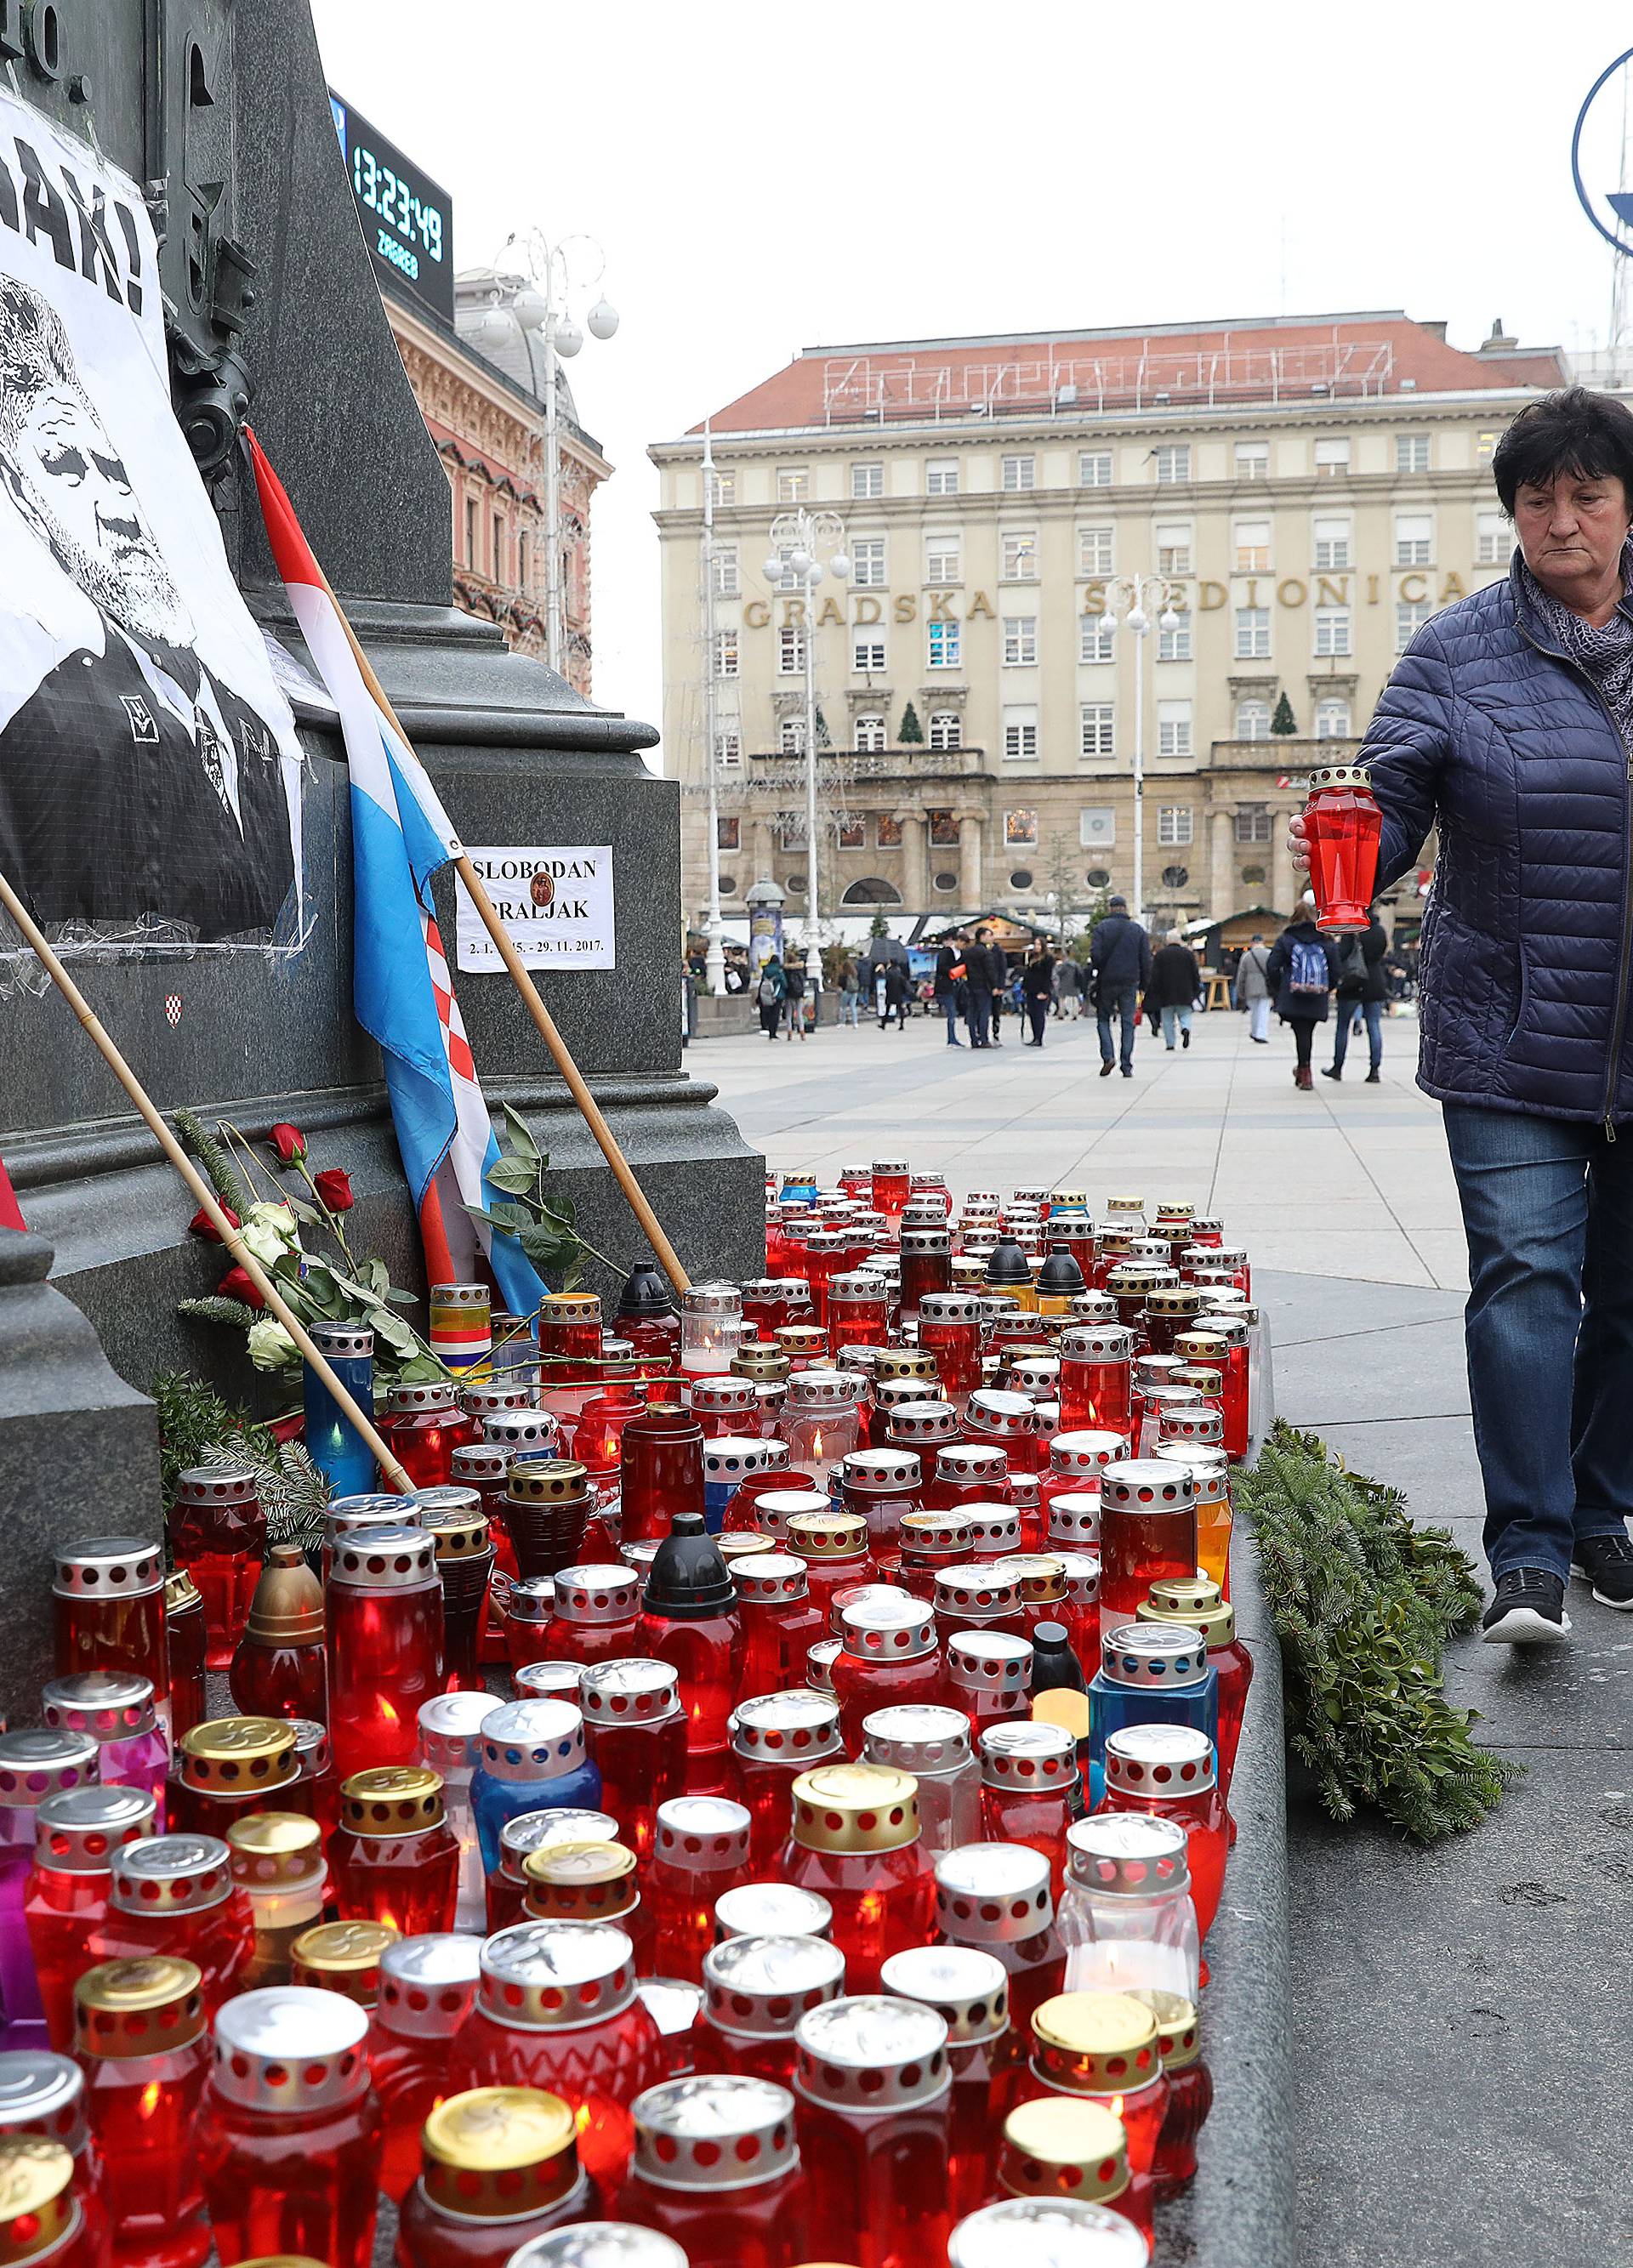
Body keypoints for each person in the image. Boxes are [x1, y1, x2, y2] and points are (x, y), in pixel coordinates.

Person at [1288, 386, 1633, 1640]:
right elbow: (1389, 808)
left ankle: (1606, 1517)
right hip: (1507, 1025)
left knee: (1628, 1298)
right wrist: (1347, 850)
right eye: (1536, 497)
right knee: (1528, 1281)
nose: (1562, 518)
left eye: (1587, 492)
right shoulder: (1456, 652)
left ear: (1626, 504)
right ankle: (1530, 1551)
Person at [0, 278, 297, 939]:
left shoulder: (256, 729)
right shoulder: (35, 740)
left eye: (113, 466)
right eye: (67, 469)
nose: (114, 502)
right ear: (27, 504)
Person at [1265, 897, 1340, 1089]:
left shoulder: (1286, 938)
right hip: (1316, 994)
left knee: (1301, 1032)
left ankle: (1304, 1072)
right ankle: (1303, 1070)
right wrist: (1326, 987)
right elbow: (1336, 969)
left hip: (1294, 994)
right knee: (1307, 1032)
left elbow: (1272, 966)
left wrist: (1279, 988)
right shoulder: (1326, 938)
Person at [1323, 907, 1388, 1083]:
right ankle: (1375, 1070)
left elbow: (1342, 955)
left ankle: (1337, 1067)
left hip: (1353, 981)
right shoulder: (1379, 931)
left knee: (1343, 1026)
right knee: (1374, 1025)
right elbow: (1381, 953)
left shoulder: (1353, 930)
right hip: (1374, 981)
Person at [1090, 895, 1152, 1078]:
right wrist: (1144, 984)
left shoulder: (1101, 928)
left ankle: (1108, 1056)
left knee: (1103, 1019)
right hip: (1130, 981)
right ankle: (1127, 1065)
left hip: (1107, 981)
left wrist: (1100, 971)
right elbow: (1146, 960)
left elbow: (1095, 955)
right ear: (1125, 908)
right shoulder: (1137, 930)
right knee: (1128, 1022)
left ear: (1110, 908)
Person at [1150, 930, 1201, 1052]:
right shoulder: (1188, 954)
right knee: (1185, 1014)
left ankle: (1170, 1043)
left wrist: (1154, 991)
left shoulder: (1160, 955)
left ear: (1167, 941)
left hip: (1165, 992)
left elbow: (1155, 975)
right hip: (1185, 991)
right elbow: (1195, 973)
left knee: (1167, 1019)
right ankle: (1185, 1028)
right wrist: (1196, 989)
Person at [965, 924, 999, 1049]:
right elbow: (990, 971)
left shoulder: (968, 952)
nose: (991, 938)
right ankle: (984, 1039)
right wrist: (995, 986)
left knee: (972, 1013)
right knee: (984, 1012)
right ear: (982, 936)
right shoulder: (986, 953)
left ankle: (974, 1039)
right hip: (984, 986)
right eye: (990, 935)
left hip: (971, 985)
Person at [934, 930, 970, 1047]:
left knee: (954, 1012)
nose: (964, 947)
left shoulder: (963, 954)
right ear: (958, 941)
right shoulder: (946, 952)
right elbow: (941, 967)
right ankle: (951, 1038)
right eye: (963, 944)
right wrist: (952, 971)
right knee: (951, 1012)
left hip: (957, 986)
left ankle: (952, 1038)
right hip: (946, 986)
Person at [1238, 933, 1273, 1043]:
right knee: (1264, 1011)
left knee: (1254, 1012)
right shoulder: (1269, 954)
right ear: (1262, 942)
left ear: (1252, 943)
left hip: (1250, 988)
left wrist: (1240, 990)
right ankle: (1261, 1034)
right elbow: (1274, 971)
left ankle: (1254, 1032)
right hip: (1266, 988)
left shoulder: (1247, 956)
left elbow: (1241, 975)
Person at [1021, 942, 1055, 1045]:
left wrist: (1045, 991)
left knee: (1039, 1014)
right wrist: (1024, 986)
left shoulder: (1047, 959)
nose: (1037, 947)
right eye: (1035, 944)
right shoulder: (1032, 957)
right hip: (1031, 989)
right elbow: (1028, 973)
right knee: (1032, 1013)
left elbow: (1047, 976)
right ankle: (1035, 1036)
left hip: (1041, 989)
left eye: (1039, 945)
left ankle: (1039, 1038)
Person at [755, 953, 785, 1041]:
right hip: (777, 995)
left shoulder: (766, 969)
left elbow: (762, 982)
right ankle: (773, 1033)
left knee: (768, 1012)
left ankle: (768, 1029)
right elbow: (784, 983)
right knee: (775, 1014)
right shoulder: (779, 971)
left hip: (766, 994)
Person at [781, 953, 808, 1041]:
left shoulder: (786, 969)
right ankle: (802, 1032)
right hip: (799, 992)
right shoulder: (800, 968)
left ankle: (789, 1033)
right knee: (799, 1013)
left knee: (789, 1014)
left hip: (789, 993)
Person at [883, 958, 911, 1030]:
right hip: (899, 992)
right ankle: (901, 1024)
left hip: (891, 992)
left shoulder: (889, 972)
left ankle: (883, 1024)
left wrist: (886, 989)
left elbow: (887, 982)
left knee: (888, 1008)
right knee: (900, 1008)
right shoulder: (899, 972)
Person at [838, 954, 862, 1028]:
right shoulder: (854, 973)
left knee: (843, 1007)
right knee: (853, 1007)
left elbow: (840, 983)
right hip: (854, 991)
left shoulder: (844, 974)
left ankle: (842, 1022)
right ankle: (855, 1023)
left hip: (846, 991)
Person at [1055, 954, 1080, 1019]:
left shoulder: (1064, 965)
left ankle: (1061, 1014)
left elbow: (1059, 973)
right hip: (1075, 983)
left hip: (1064, 984)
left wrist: (1058, 966)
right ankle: (1075, 1013)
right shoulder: (1076, 965)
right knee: (1075, 999)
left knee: (1061, 999)